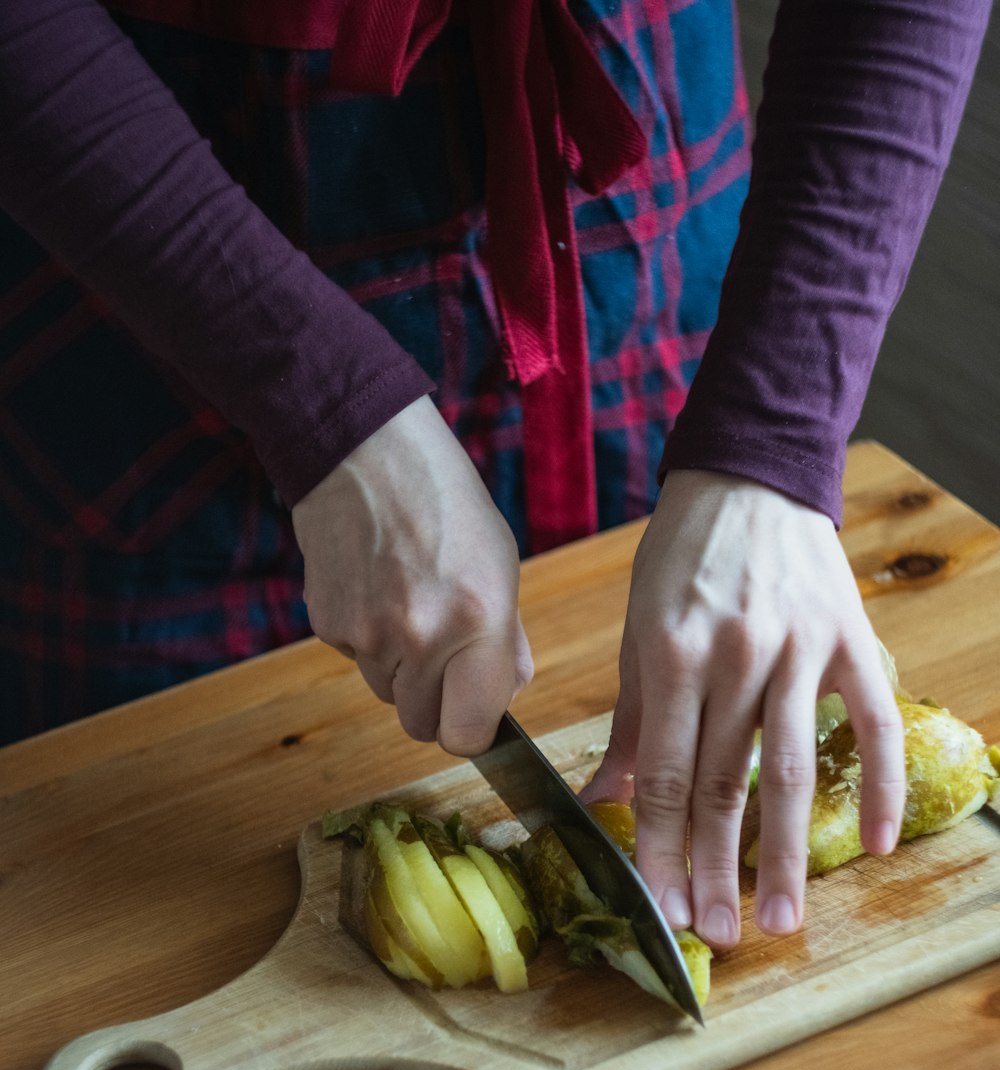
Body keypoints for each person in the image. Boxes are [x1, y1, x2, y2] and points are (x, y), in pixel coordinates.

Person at [0, 0, 990, 951]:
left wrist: (768, 441)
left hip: (636, 223)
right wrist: (321, 409)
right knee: (122, 911)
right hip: (156, 238)